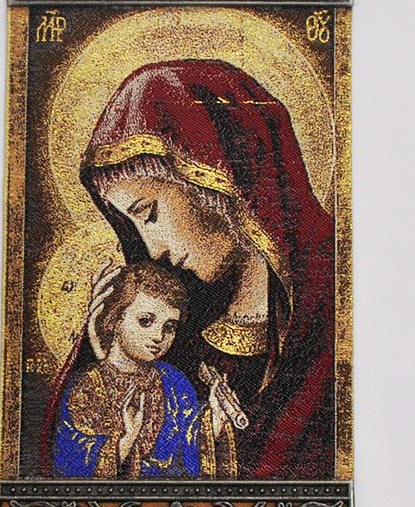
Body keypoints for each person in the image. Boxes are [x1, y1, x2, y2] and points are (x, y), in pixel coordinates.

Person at [40, 59, 335, 479]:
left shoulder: (329, 303)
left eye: (149, 214)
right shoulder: (176, 325)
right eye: (134, 226)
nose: (151, 249)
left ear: (214, 180)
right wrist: (110, 364)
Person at [52, 261, 240, 478]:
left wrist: (214, 421)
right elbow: (69, 465)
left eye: (169, 327)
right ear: (115, 319)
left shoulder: (173, 381)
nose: (159, 336)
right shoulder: (87, 386)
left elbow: (188, 451)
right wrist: (125, 442)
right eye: (145, 321)